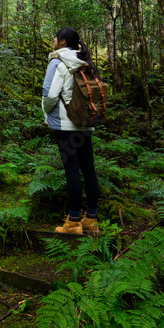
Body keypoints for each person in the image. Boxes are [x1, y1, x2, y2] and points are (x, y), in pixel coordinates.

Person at [42, 26, 100, 235]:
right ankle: (90, 219)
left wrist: (47, 113)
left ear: (62, 42)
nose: (54, 41)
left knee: (71, 171)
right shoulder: (86, 62)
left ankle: (73, 222)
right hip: (86, 123)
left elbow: (49, 95)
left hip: (66, 125)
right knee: (88, 169)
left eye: (56, 38)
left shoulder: (58, 62)